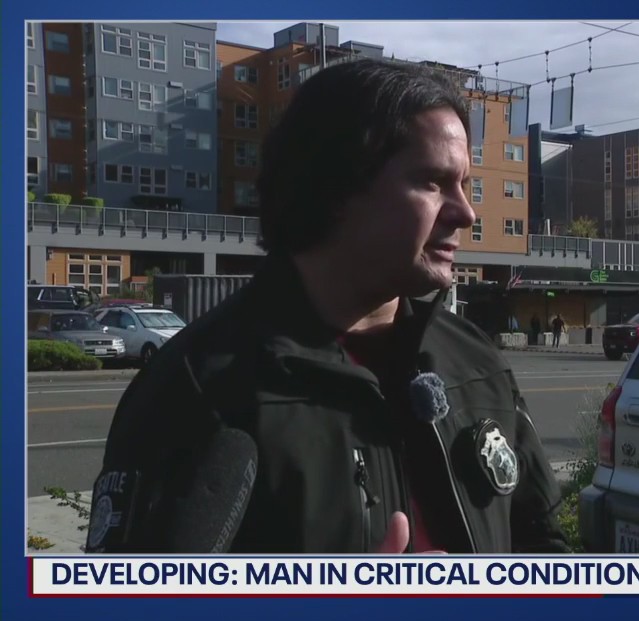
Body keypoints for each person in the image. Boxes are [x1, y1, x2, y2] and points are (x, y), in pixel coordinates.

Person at [84, 59, 569, 555]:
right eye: (432, 182)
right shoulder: (197, 388)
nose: (466, 212)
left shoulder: (477, 362)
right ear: (335, 188)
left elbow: (546, 552)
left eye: (464, 184)